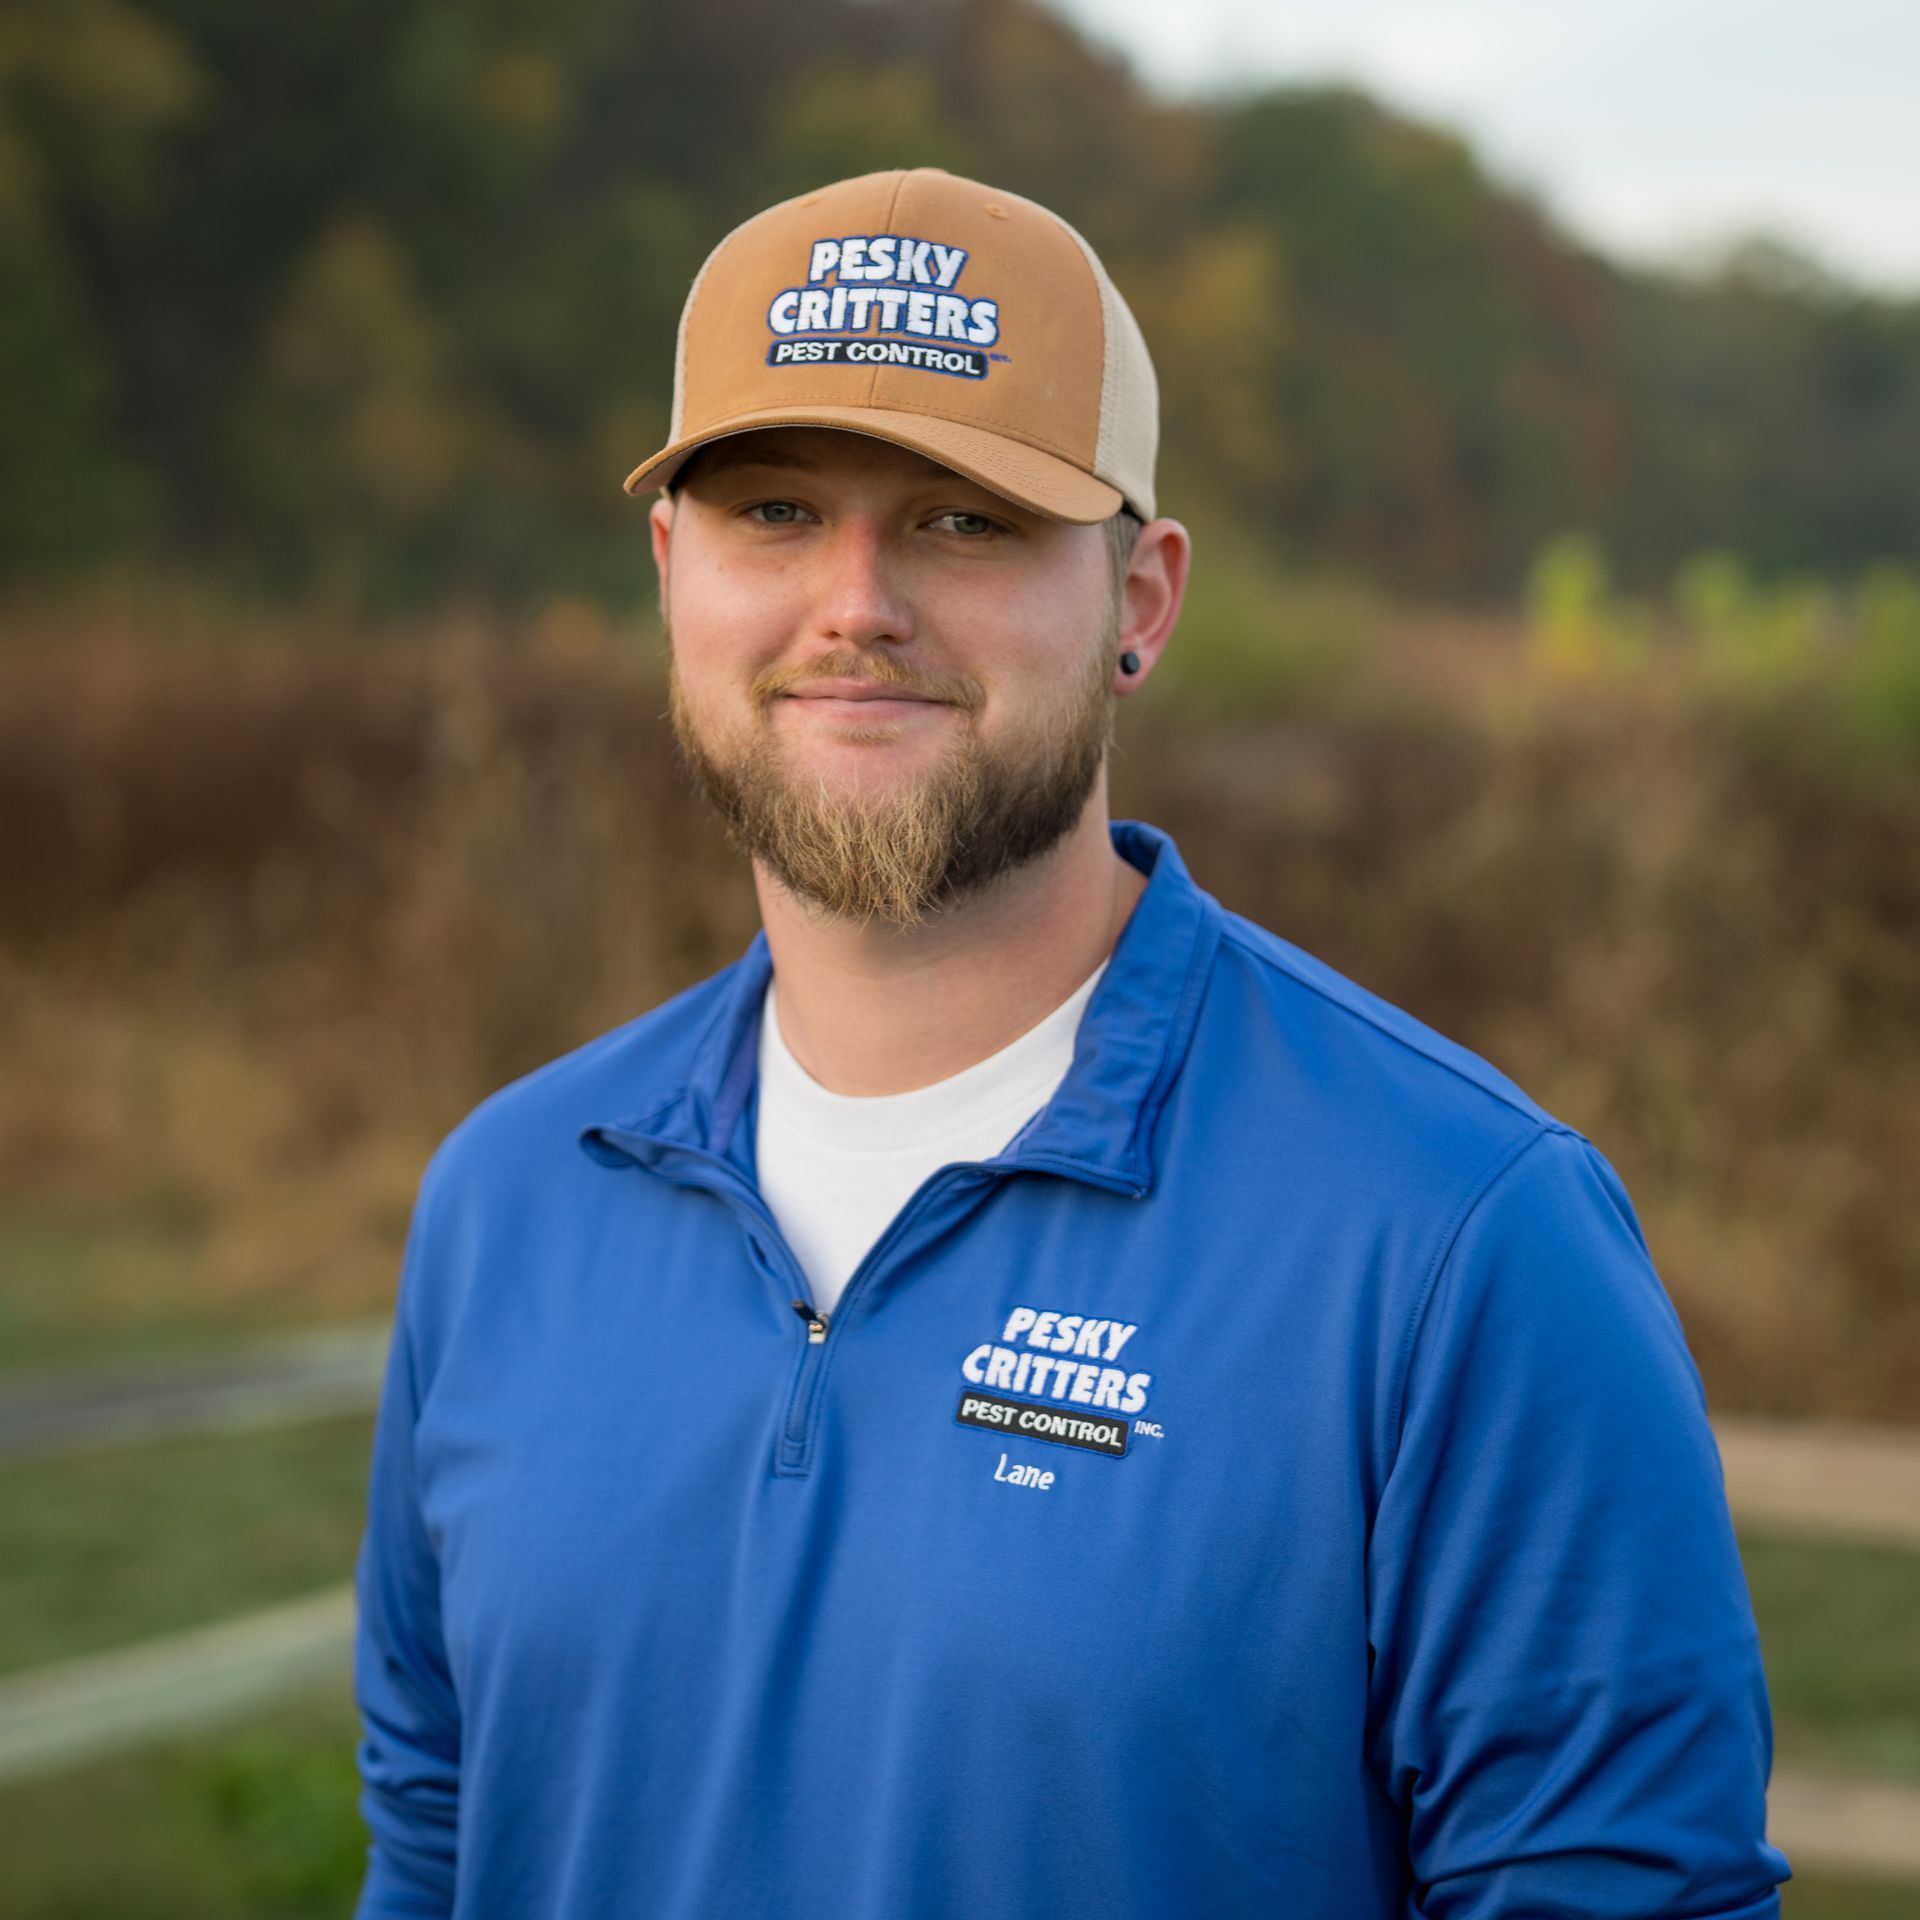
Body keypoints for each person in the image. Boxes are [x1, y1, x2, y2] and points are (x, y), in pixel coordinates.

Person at [352, 166, 1791, 1919]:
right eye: (778, 512)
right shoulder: (508, 1197)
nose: (857, 602)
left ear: (1142, 598)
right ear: (672, 570)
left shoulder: (1458, 1239)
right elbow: (437, 1851)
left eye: (964, 519)